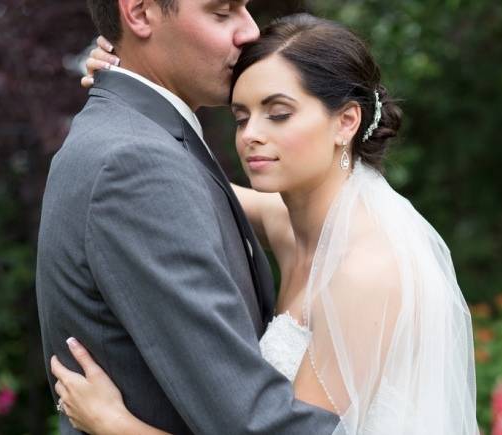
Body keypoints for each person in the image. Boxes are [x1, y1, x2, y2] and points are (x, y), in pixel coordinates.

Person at [51, 13, 480, 435]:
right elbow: (164, 190)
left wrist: (118, 427)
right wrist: (124, 76)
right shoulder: (289, 224)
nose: (251, 134)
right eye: (241, 116)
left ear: (346, 122)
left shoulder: (364, 271)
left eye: (278, 114)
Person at [36, 1, 341, 434]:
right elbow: (253, 423)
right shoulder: (138, 163)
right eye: (222, 13)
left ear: (348, 121)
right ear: (139, 14)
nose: (249, 32)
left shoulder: (137, 143)